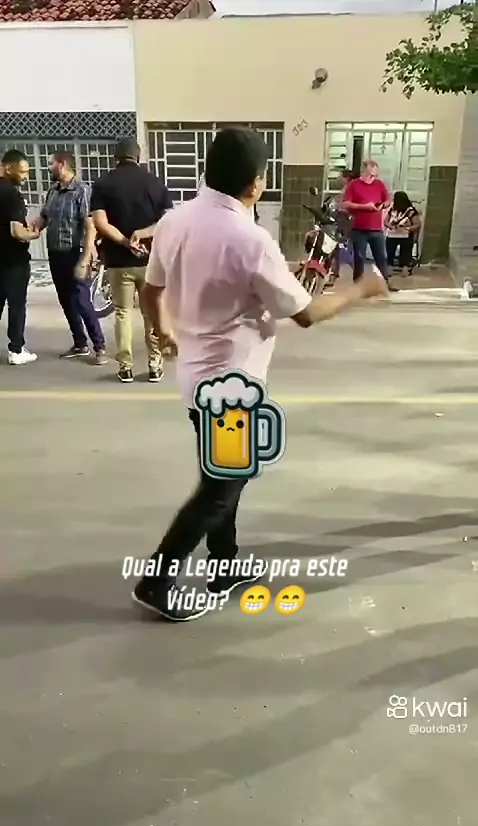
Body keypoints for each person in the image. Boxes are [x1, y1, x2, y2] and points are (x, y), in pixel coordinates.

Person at [132, 126, 387, 622]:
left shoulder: (175, 221)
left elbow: (151, 288)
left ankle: (224, 565)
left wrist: (162, 329)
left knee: (223, 474)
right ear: (255, 184)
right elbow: (306, 313)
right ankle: (156, 581)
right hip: (232, 388)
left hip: (197, 380)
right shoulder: (251, 240)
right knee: (221, 488)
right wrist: (362, 289)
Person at [90, 137, 174, 383]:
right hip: (150, 261)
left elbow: (100, 223)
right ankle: (155, 365)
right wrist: (143, 233)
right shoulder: (154, 182)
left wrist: (125, 242)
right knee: (151, 313)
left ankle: (125, 367)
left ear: (116, 157)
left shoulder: (103, 184)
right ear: (138, 156)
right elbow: (168, 222)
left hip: (118, 261)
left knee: (122, 313)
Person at [34, 151, 107, 364]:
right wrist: (28, 230)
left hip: (75, 253)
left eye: (50, 163)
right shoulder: (53, 191)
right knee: (65, 300)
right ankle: (80, 343)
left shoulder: (82, 190)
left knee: (82, 300)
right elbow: (44, 217)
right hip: (56, 254)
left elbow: (90, 225)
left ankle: (99, 346)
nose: (47, 167)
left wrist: (86, 257)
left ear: (62, 164)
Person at [0, 149, 40, 365]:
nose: (26, 177)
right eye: (22, 172)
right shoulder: (11, 194)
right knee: (16, 305)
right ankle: (16, 349)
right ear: (8, 167)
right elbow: (17, 232)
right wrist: (34, 233)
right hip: (13, 261)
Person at [343, 160, 398, 293]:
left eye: (374, 174)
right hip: (358, 228)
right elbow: (346, 204)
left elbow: (388, 199)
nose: (372, 177)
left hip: (376, 228)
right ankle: (358, 284)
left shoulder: (379, 184)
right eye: (370, 174)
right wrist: (364, 207)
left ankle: (385, 283)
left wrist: (384, 205)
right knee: (359, 258)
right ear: (363, 171)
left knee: (381, 257)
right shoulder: (353, 185)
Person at [385, 191, 421, 276]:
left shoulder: (411, 211)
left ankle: (405, 268)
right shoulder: (392, 209)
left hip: (406, 235)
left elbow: (417, 224)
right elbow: (386, 221)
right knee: (389, 251)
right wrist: (390, 226)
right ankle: (389, 268)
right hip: (392, 234)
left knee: (406, 252)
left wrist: (408, 228)